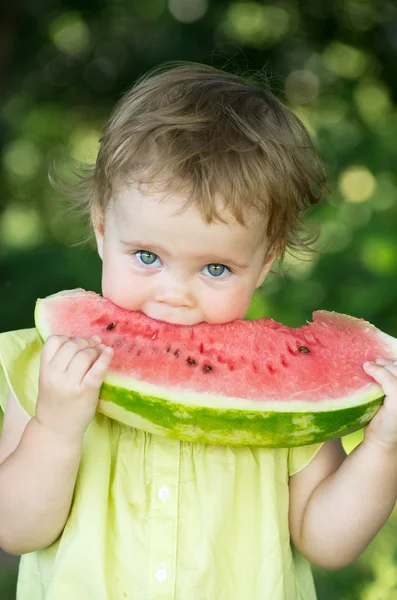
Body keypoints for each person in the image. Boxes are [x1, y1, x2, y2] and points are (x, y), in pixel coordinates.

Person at [0, 62, 396, 600]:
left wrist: (383, 449)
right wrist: (55, 428)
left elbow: (327, 543)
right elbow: (17, 531)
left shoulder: (287, 397)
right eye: (146, 256)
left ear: (265, 261)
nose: (175, 294)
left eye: (216, 269)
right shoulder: (44, 366)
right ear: (100, 228)